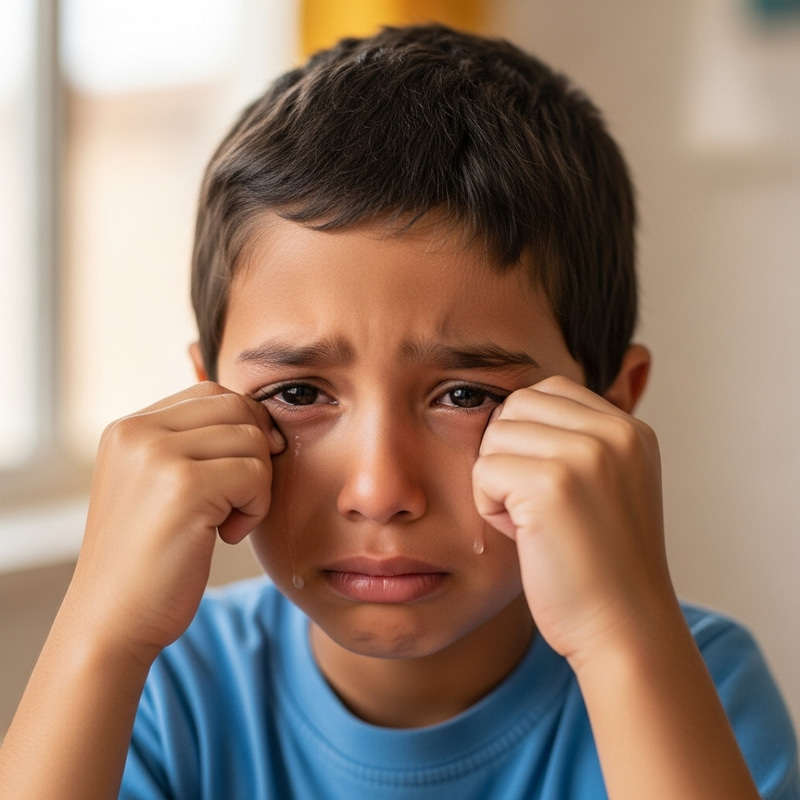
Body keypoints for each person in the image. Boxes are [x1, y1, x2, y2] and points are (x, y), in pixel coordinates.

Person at [1, 23, 797, 800]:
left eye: (465, 396)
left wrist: (622, 637)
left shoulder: (692, 678)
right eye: (300, 394)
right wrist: (98, 629)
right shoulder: (164, 689)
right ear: (208, 402)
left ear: (612, 411)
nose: (379, 491)